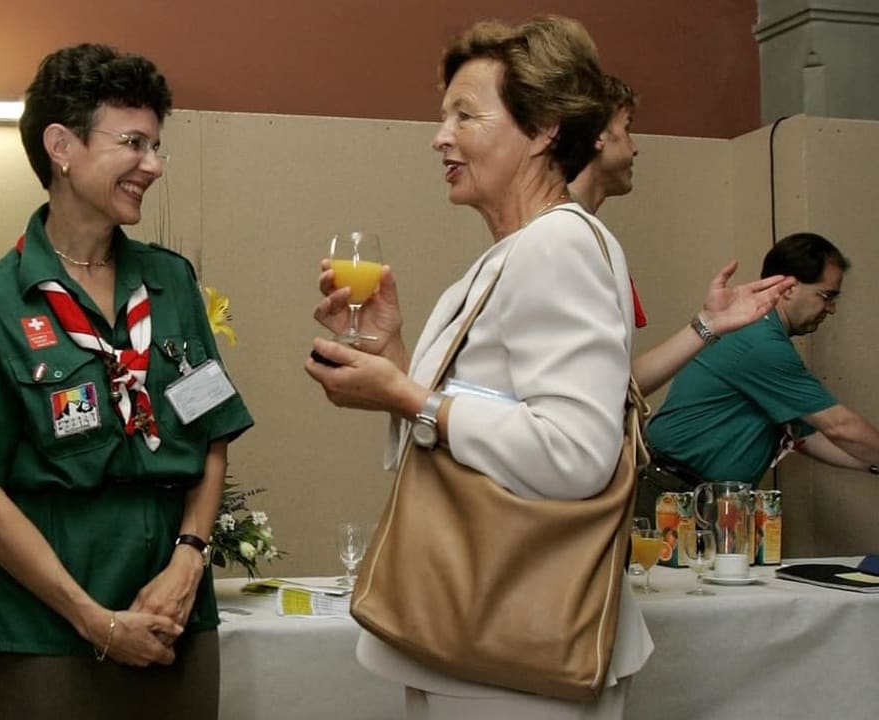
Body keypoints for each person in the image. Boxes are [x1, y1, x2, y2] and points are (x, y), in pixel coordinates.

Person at [305, 15, 655, 719]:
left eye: (466, 115)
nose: (440, 137)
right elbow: (486, 408)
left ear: (545, 127)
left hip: (515, 645)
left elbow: (577, 452)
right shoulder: (515, 252)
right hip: (483, 643)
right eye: (443, 117)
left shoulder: (555, 246)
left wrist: (409, 398)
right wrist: (395, 356)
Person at [0, 44, 252, 719]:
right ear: (61, 146)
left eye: (158, 145)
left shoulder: (172, 282)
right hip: (51, 633)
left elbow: (212, 432)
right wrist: (95, 620)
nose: (153, 165)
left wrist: (189, 563)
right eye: (133, 142)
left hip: (175, 616)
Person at [570, 74, 795, 398]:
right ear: (598, 135)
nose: (635, 149)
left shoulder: (588, 233)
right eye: (628, 127)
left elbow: (612, 390)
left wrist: (709, 323)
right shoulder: (563, 237)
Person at [639, 232, 879, 519]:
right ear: (788, 287)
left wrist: (871, 463)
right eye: (825, 296)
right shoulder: (761, 343)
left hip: (699, 498)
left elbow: (806, 436)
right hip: (675, 496)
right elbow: (838, 426)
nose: (831, 308)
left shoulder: (764, 337)